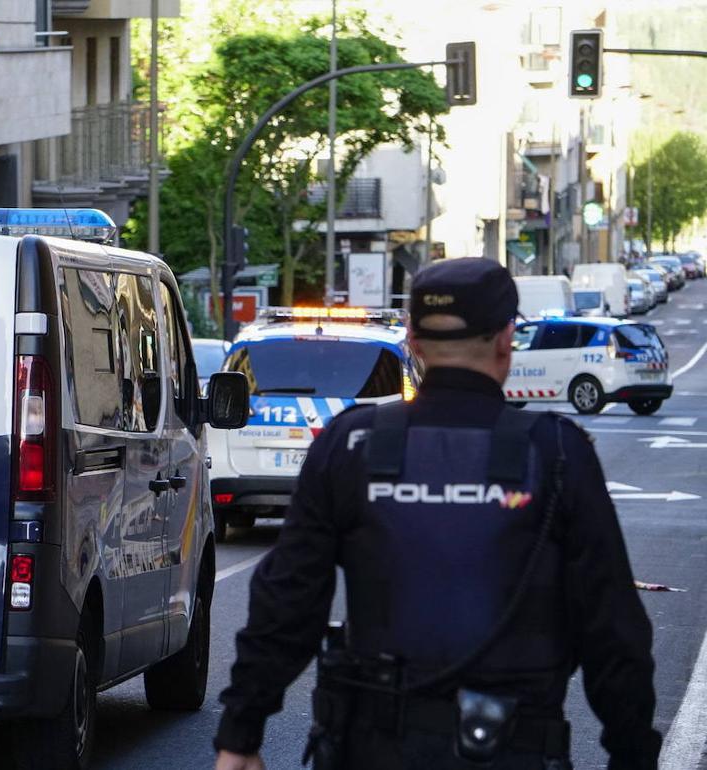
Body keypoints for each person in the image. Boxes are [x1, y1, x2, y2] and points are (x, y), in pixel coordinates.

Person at [213, 258, 660, 770]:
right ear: (506, 340)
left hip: (374, 749)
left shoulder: (352, 444)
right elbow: (613, 628)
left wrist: (240, 734)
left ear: (415, 343)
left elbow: (287, 600)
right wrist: (634, 754)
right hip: (513, 750)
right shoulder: (557, 453)